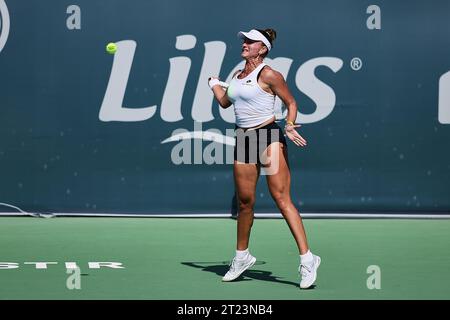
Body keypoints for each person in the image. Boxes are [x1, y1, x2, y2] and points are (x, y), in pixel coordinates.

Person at [208, 28, 320, 289]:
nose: (245, 44)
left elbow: (291, 102)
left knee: (281, 199)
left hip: (268, 136)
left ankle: (308, 259)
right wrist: (215, 85)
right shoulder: (237, 75)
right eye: (244, 41)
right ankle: (242, 257)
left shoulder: (269, 74)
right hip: (244, 139)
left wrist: (290, 124)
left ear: (263, 48)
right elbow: (225, 103)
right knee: (245, 203)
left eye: (250, 41)